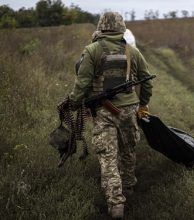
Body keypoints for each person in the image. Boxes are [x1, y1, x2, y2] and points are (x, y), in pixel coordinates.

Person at [68, 12, 153, 218]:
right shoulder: (132, 51)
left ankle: (116, 203)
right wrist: (142, 103)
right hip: (130, 110)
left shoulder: (92, 50)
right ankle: (129, 190)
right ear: (121, 28)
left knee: (108, 157)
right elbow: (146, 81)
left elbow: (82, 83)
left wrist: (73, 103)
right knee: (128, 151)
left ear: (101, 28)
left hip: (104, 112)